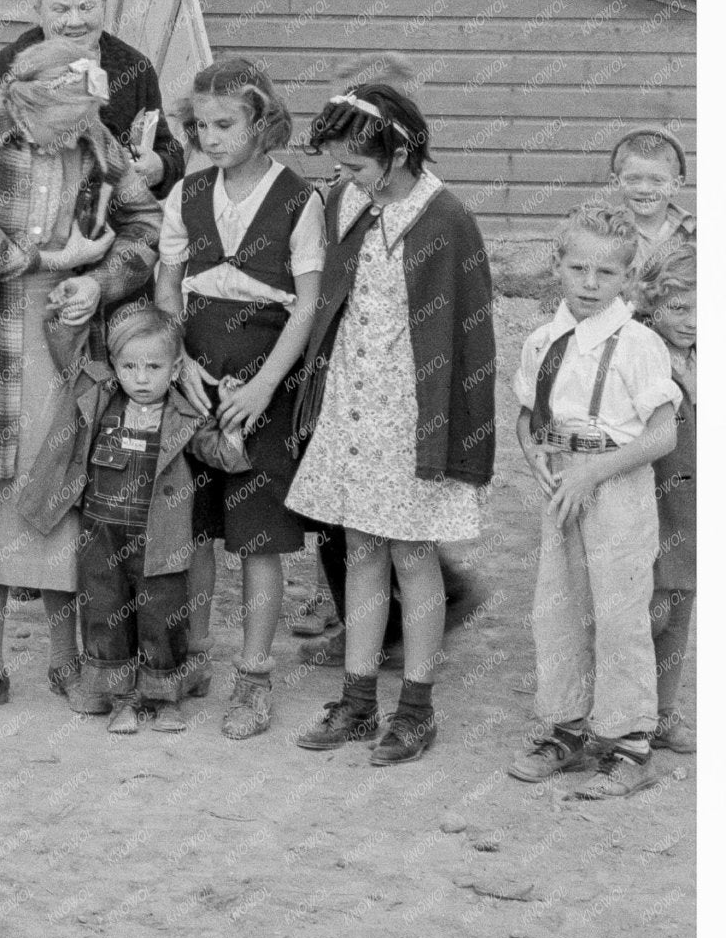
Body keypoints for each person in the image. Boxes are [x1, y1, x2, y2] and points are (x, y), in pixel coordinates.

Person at [0, 38, 163, 721]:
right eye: (63, 125)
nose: (74, 137)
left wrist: (97, 280)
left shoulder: (92, 134)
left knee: (57, 493)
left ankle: (65, 661)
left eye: (83, 124)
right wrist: (47, 255)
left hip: (63, 341)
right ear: (29, 101)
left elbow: (144, 222)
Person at [284, 85, 496, 769]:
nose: (344, 179)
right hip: (353, 407)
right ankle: (356, 700)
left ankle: (416, 708)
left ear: (399, 151)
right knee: (360, 551)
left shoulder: (446, 218)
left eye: (357, 166)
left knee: (411, 555)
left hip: (412, 421)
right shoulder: (348, 204)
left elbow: (471, 343)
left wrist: (452, 438)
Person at [156, 57, 324, 740]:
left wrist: (261, 388)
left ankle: (254, 678)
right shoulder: (187, 195)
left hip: (264, 384)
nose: (212, 137)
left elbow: (309, 304)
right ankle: (194, 657)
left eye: (226, 124)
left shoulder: (298, 199)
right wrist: (179, 363)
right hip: (196, 377)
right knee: (193, 531)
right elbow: (169, 287)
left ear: (262, 122)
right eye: (201, 126)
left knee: (258, 539)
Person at [506, 202, 681, 800]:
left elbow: (662, 434)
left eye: (605, 274)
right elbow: (528, 419)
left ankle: (632, 743)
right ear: (557, 265)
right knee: (557, 610)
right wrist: (538, 461)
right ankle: (566, 729)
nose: (589, 283)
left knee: (619, 614)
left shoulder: (638, 345)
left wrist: (594, 474)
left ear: (627, 279)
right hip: (561, 484)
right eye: (578, 268)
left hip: (616, 485)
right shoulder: (542, 340)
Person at [18, 304, 246, 734]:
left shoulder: (184, 415)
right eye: (129, 366)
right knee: (104, 612)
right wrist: (68, 308)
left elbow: (224, 457)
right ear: (114, 365)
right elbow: (65, 345)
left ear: (176, 367)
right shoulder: (101, 397)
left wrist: (231, 421)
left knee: (162, 615)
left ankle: (162, 699)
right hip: (101, 534)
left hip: (159, 537)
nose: (141, 378)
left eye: (154, 366)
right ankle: (119, 698)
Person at [0, 0, 185, 196]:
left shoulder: (135, 68)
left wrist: (161, 167)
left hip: (109, 218)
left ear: (104, 4)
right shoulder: (1, 69)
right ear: (39, 11)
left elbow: (167, 149)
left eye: (86, 7)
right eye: (61, 10)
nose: (75, 21)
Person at [631, 236, 697, 755]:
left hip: (694, 507)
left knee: (680, 609)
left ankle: (663, 712)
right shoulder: (639, 350)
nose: (693, 320)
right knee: (646, 610)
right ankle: (625, 710)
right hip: (650, 498)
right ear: (652, 302)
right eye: (679, 307)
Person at [606, 128, 694, 266]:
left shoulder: (693, 233)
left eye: (657, 180)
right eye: (633, 179)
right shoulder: (603, 232)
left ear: (675, 185)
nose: (644, 189)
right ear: (616, 182)